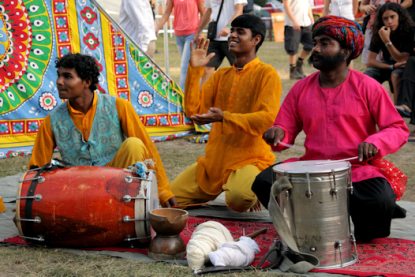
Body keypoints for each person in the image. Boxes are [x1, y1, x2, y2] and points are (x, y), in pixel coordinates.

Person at [255, 15, 409, 242]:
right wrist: (278, 133)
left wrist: (375, 142)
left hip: (355, 169)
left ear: (346, 51)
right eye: (315, 42)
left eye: (325, 43)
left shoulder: (368, 87)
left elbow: (397, 128)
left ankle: (371, 216)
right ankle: (304, 224)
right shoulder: (301, 89)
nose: (315, 48)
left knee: (378, 201)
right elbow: (285, 127)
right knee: (264, 182)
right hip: (313, 167)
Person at [29, 53, 176, 207]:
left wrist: (163, 190)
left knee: (134, 144)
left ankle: (130, 206)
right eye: (59, 75)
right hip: (77, 188)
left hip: (117, 182)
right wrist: (28, 204)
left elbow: (148, 149)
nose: (59, 82)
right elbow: (37, 167)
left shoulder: (119, 106)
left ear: (86, 82)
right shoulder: (51, 121)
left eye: (67, 76)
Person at [170, 14, 282, 212]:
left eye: (240, 32)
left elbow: (265, 120)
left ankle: (255, 184)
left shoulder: (267, 74)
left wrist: (225, 117)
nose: (232, 36)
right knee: (170, 198)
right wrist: (195, 71)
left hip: (249, 159)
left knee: (239, 200)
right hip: (215, 162)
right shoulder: (221, 75)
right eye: (232, 31)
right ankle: (231, 184)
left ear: (256, 40)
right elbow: (193, 110)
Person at [364, 2, 414, 104]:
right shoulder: (380, 31)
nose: (389, 21)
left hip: (405, 66)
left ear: (399, 16)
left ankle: (398, 110)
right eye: (385, 19)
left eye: (392, 17)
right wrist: (391, 66)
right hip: (388, 65)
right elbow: (370, 61)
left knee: (396, 75)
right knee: (367, 75)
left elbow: (402, 59)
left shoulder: (409, 30)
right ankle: (368, 108)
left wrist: (387, 41)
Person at [155, 0, 205, 89]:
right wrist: (156, 29)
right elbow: (166, 13)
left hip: (192, 34)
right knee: (190, 67)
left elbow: (203, 13)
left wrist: (200, 31)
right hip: (179, 35)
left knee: (184, 67)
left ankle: (182, 96)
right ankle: (198, 90)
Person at [195, 0, 247, 83]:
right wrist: (198, 31)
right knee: (207, 69)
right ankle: (204, 95)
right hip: (214, 38)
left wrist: (229, 27)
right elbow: (208, 11)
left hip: (233, 38)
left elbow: (239, 10)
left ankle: (244, 94)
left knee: (240, 70)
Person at [359, 0, 411, 64]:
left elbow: (409, 2)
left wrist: (392, 9)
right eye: (387, 18)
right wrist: (365, 7)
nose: (389, 21)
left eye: (392, 17)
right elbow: (361, 6)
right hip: (374, 26)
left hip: (397, 27)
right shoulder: (378, 31)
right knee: (371, 65)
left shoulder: (407, 30)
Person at [282, 0, 314, 80]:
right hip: (292, 24)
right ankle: (292, 72)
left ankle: (299, 65)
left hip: (306, 23)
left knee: (310, 44)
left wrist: (312, 20)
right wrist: (294, 21)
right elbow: (286, 5)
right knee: (292, 48)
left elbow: (308, 6)